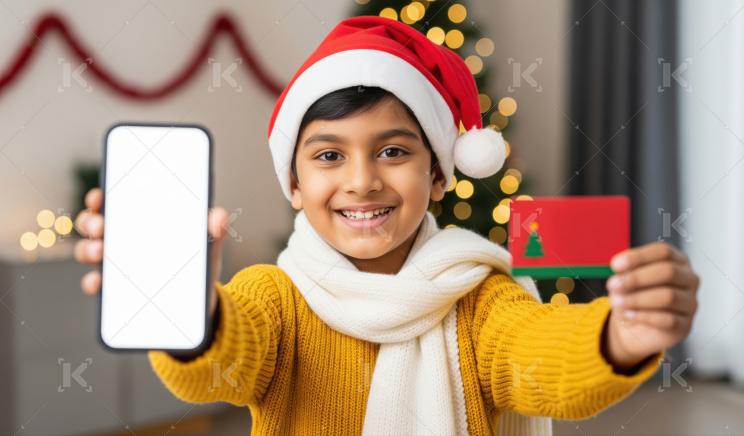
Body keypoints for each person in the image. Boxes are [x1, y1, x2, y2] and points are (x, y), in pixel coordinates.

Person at [74, 15, 700, 436]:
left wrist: (621, 335)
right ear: (293, 184)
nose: (362, 180)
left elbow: (537, 360)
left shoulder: (479, 298)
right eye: (327, 156)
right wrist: (192, 314)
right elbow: (219, 368)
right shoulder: (276, 298)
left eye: (394, 151)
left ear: (436, 176)